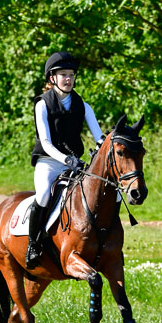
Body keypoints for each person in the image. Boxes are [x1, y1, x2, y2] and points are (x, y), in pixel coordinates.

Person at [26, 50, 105, 269]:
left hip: (75, 165)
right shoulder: (43, 104)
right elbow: (45, 141)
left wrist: (107, 146)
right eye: (63, 75)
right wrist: (65, 159)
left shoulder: (83, 106)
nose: (68, 79)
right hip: (49, 163)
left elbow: (99, 138)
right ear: (52, 78)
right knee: (43, 195)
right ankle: (33, 245)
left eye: (71, 75)